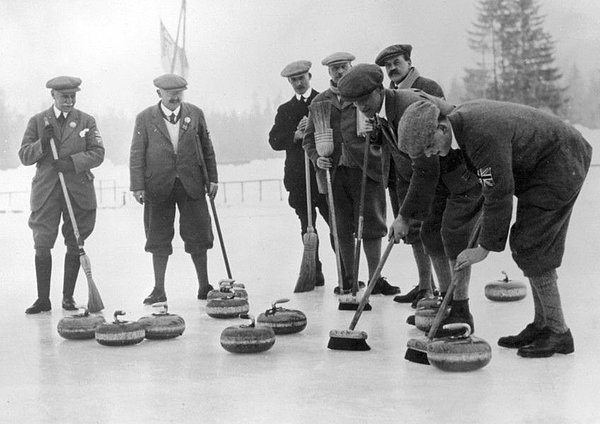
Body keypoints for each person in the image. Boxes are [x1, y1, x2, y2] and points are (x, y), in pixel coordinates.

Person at [397, 98, 592, 357]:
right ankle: (543, 324)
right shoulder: (462, 127)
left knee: (532, 244)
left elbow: (499, 192)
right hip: (542, 166)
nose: (431, 154)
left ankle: (558, 332)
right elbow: (488, 184)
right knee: (528, 244)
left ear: (442, 128)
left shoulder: (480, 135)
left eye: (430, 146)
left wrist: (484, 248)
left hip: (561, 163)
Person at [338, 64, 482, 334]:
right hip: (436, 173)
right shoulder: (383, 110)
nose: (362, 107)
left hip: (460, 173)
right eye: (356, 103)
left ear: (379, 90)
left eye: (365, 100)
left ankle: (461, 309)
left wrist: (403, 216)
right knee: (429, 233)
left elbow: (425, 168)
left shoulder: (407, 107)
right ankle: (446, 301)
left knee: (452, 236)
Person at [304, 53, 400, 296]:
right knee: (342, 227)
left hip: (366, 168)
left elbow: (387, 129)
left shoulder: (367, 96)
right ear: (328, 72)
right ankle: (348, 278)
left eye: (343, 67)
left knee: (371, 225)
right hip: (335, 174)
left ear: (351, 67)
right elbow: (308, 141)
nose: (339, 72)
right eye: (334, 69)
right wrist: (318, 158)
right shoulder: (320, 103)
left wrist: (376, 134)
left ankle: (375, 278)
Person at [19, 76, 105, 314]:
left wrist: (71, 163)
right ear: (53, 96)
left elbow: (98, 153)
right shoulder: (37, 122)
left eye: (72, 97)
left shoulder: (86, 120)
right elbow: (24, 156)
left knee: (75, 241)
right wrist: (42, 144)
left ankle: (67, 297)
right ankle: (43, 299)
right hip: (47, 191)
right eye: (64, 97)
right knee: (42, 242)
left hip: (77, 191)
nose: (69, 101)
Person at [130, 74, 218, 303]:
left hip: (192, 184)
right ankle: (159, 289)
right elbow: (137, 153)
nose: (175, 96)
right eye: (170, 93)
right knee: (157, 236)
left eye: (179, 92)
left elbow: (207, 149)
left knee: (198, 233)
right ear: (158, 93)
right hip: (157, 185)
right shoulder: (145, 118)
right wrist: (137, 185)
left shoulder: (195, 114)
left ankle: (204, 286)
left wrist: (212, 179)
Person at [375, 44, 445, 306]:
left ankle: (433, 289)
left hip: (421, 171)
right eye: (388, 65)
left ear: (409, 62)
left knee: (425, 226)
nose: (392, 68)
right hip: (396, 171)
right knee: (412, 231)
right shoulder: (387, 95)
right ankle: (424, 285)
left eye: (396, 62)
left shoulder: (428, 87)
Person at [268, 60, 331, 286]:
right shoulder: (285, 110)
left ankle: (346, 272)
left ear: (309, 77)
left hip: (323, 176)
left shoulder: (324, 101)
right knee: (307, 226)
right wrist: (294, 135)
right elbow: (274, 140)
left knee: (336, 223)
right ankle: (314, 270)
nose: (298, 83)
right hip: (298, 179)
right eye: (293, 80)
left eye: (301, 78)